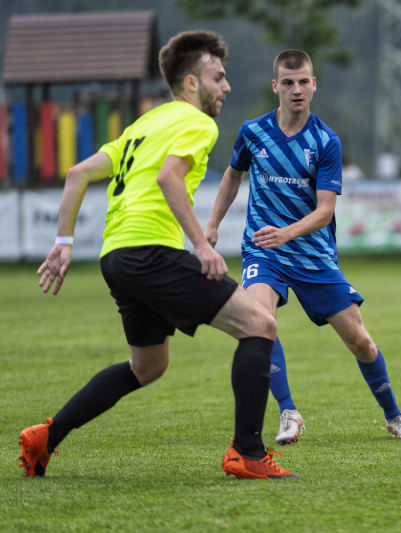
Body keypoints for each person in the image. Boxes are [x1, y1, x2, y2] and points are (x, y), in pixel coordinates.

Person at [19, 31, 295, 480]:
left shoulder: (144, 124)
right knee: (260, 325)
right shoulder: (198, 124)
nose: (226, 87)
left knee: (148, 366)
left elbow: (77, 173)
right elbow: (170, 178)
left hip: (116, 257)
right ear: (191, 83)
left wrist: (64, 242)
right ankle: (247, 452)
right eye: (218, 77)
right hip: (150, 252)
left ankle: (46, 437)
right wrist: (201, 245)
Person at [203, 49, 401, 443]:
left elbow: (325, 211)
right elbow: (233, 176)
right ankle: (288, 412)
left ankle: (394, 416)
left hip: (312, 255)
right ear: (275, 86)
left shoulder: (325, 141)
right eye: (288, 83)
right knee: (259, 321)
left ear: (314, 84)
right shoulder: (253, 132)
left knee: (360, 341)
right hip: (264, 251)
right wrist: (212, 225)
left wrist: (287, 233)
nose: (297, 90)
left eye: (303, 82)